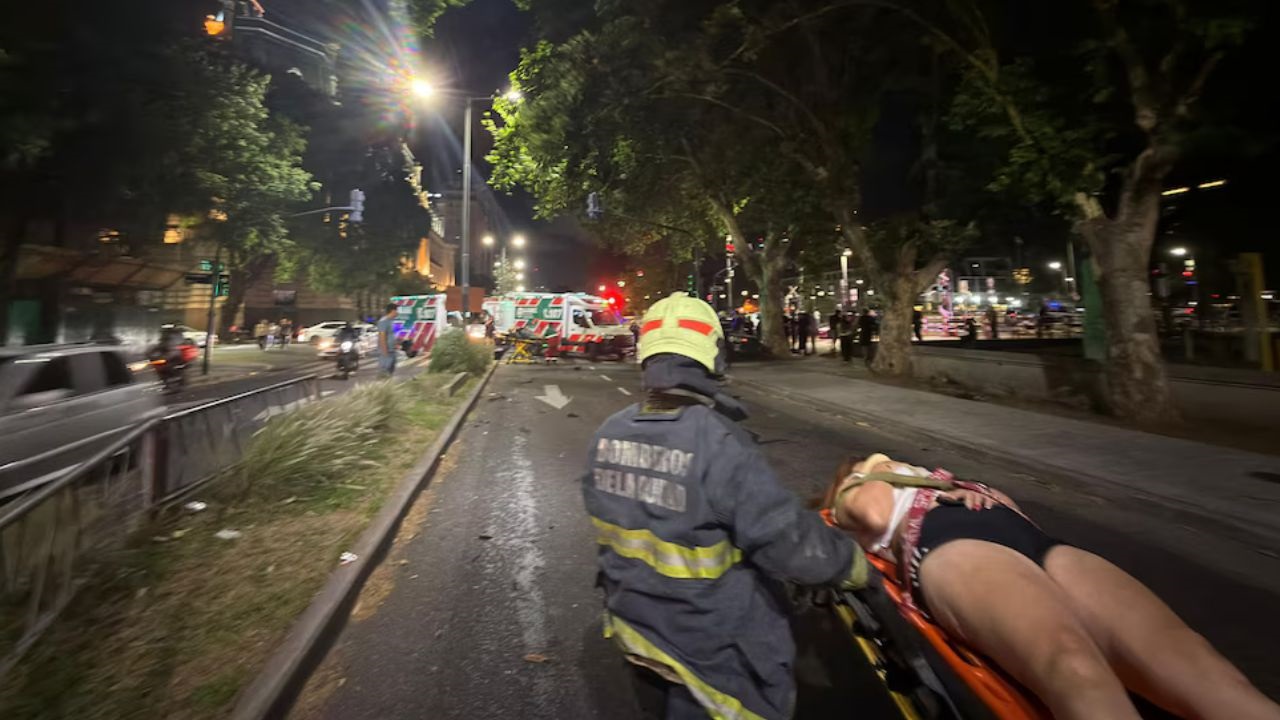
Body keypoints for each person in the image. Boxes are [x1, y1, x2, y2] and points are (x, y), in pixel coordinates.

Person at [821, 454, 1280, 720]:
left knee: (1197, 663)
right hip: (952, 545)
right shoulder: (856, 492)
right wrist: (872, 467)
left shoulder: (926, 476)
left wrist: (975, 490)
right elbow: (876, 515)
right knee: (1071, 663)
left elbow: (1008, 505)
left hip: (1035, 542)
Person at [585, 292, 869, 720]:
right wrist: (850, 565)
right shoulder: (715, 440)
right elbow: (786, 540)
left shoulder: (608, 432)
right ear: (713, 357)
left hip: (636, 626)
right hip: (707, 646)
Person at [376, 303, 398, 376]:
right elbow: (382, 337)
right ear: (392, 311)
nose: (398, 313)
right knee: (385, 373)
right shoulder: (383, 321)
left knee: (390, 372)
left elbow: (391, 335)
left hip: (392, 351)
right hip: (387, 352)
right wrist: (385, 352)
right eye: (396, 310)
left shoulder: (391, 321)